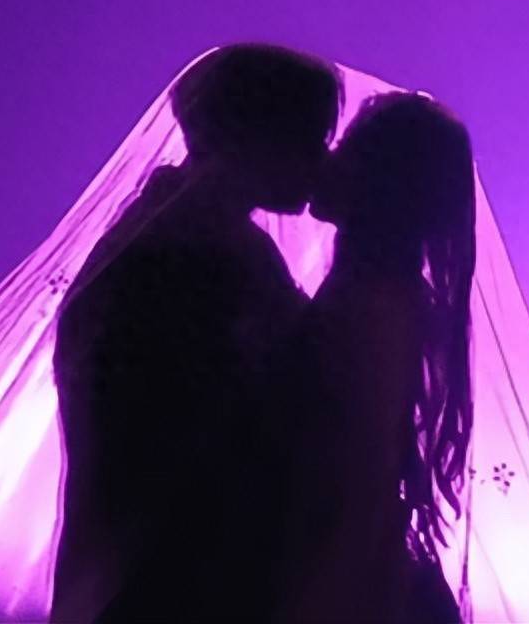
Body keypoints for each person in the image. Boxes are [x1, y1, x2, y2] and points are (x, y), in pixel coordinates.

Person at [49, 43, 341, 623]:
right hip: (177, 587)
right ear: (260, 138)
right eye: (311, 138)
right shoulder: (187, 259)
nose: (323, 160)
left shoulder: (185, 238)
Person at [268, 92, 476, 623]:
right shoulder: (370, 290)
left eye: (348, 148)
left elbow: (363, 485)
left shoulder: (377, 305)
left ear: (384, 182)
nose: (327, 158)